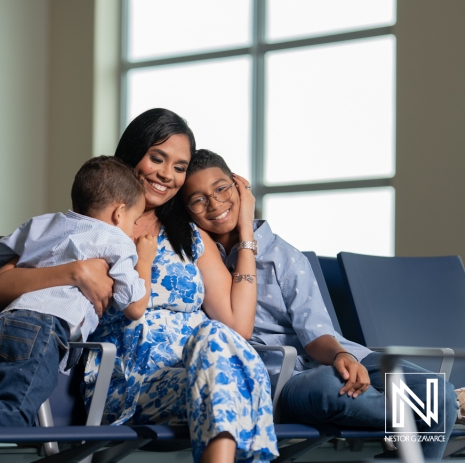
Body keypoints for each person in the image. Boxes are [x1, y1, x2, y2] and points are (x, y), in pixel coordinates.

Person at [0, 109, 279, 463]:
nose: (167, 175)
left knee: (221, 344)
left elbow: (237, 326)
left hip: (199, 374)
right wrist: (76, 272)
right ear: (134, 151)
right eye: (157, 158)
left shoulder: (190, 236)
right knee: (232, 367)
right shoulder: (91, 227)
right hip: (126, 385)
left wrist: (246, 232)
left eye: (180, 167)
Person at [182, 148, 457, 460]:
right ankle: (428, 416)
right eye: (198, 199)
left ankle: (434, 411)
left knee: (435, 389)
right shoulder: (197, 260)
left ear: (240, 188)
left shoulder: (285, 256)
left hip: (333, 355)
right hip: (285, 379)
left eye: (221, 188)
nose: (215, 203)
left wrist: (341, 354)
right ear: (187, 210)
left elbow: (316, 333)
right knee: (333, 387)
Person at [0, 155, 157, 427]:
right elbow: (133, 305)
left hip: (1, 324)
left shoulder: (42, 224)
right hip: (42, 329)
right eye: (133, 222)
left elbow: (0, 253)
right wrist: (144, 260)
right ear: (119, 213)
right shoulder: (116, 240)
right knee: (17, 415)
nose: (133, 231)